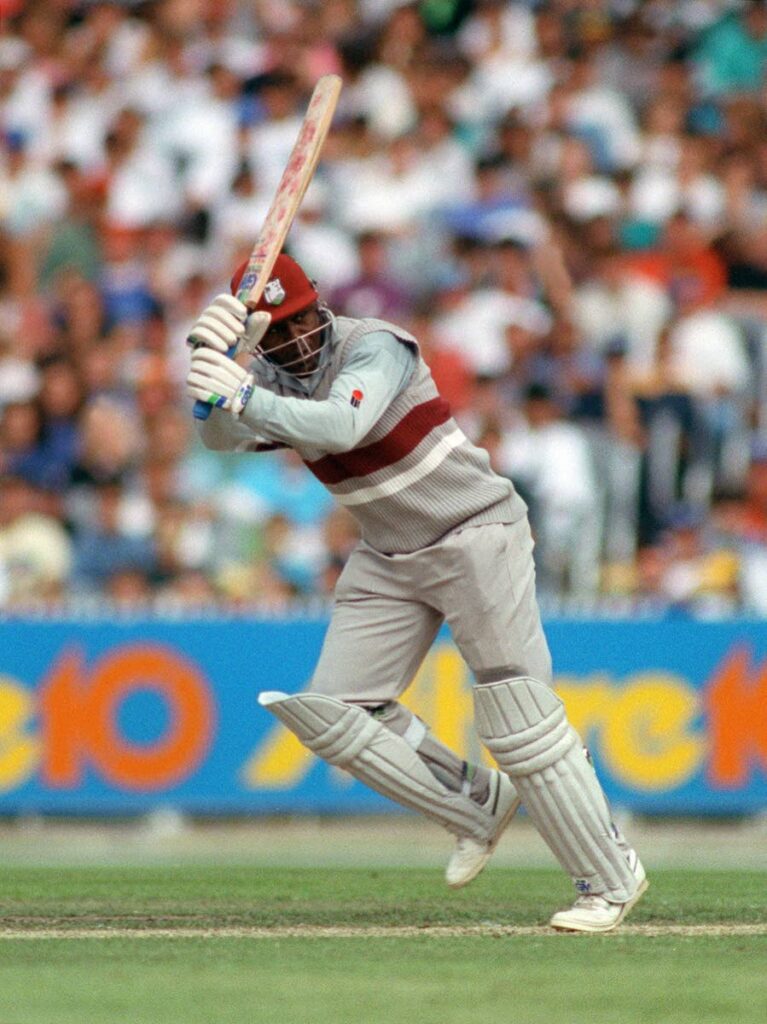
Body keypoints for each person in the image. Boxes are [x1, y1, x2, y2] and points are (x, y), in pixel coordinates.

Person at [185, 252, 647, 932]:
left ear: (319, 306)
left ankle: (608, 878)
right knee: (333, 710)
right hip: (388, 551)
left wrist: (243, 391)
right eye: (276, 331)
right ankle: (475, 808)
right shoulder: (270, 374)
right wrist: (208, 372)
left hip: (473, 531)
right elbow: (222, 438)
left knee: (516, 712)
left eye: (301, 321)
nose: (294, 339)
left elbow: (341, 424)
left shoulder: (376, 345)